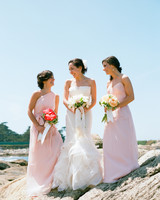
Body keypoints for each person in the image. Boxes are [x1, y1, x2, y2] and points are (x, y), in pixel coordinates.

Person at [52, 58, 102, 191]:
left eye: (72, 69)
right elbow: (64, 99)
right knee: (71, 139)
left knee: (84, 138)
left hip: (86, 113)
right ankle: (69, 177)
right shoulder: (68, 82)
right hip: (71, 114)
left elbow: (94, 99)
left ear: (80, 67)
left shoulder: (91, 81)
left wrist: (85, 108)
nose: (70, 72)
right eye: (69, 69)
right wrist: (72, 107)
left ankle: (87, 176)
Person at [102, 56, 139, 183]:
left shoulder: (124, 78)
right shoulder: (108, 82)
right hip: (110, 115)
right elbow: (108, 98)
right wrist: (106, 107)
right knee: (110, 142)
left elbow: (131, 96)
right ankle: (113, 171)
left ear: (112, 65)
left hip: (123, 113)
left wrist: (116, 106)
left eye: (105, 66)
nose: (103, 69)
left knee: (124, 139)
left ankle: (127, 167)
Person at [27, 70, 63, 197]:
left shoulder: (56, 96)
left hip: (51, 128)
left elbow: (56, 113)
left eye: (53, 77)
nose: (53, 80)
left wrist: (51, 123)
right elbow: (29, 111)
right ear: (44, 80)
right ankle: (41, 181)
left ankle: (54, 179)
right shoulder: (36, 94)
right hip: (38, 127)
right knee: (40, 155)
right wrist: (38, 125)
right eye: (51, 78)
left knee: (58, 149)